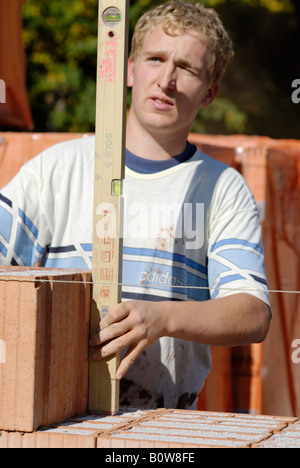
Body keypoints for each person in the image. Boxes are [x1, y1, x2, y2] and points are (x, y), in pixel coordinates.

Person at [0, 1, 271, 409]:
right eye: (156, 59)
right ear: (129, 70)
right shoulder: (58, 169)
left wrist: (163, 319)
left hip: (164, 424)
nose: (167, 80)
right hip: (54, 413)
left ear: (210, 92)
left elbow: (253, 313)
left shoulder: (222, 188)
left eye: (188, 68)